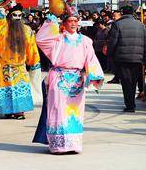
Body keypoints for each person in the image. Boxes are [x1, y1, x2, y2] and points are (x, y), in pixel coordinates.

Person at [34, 10, 104, 153]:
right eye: (70, 21)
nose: (73, 23)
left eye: (75, 21)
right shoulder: (57, 40)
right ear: (64, 23)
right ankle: (58, 144)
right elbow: (40, 39)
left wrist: (95, 75)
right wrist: (49, 23)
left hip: (77, 78)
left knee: (74, 112)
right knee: (58, 110)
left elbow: (91, 59)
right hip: (59, 77)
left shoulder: (85, 40)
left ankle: (73, 144)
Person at [0, 4, 41, 118]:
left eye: (19, 15)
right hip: (5, 65)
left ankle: (19, 111)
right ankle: (7, 110)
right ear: (9, 16)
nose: (17, 17)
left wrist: (33, 62)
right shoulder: (2, 30)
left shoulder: (27, 30)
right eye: (14, 15)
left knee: (20, 87)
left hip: (20, 65)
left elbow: (31, 47)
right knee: (6, 87)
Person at [107, 4, 146, 113]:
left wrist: (110, 54)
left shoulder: (117, 24)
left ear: (122, 13)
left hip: (122, 58)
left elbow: (113, 42)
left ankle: (130, 105)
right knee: (133, 81)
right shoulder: (141, 25)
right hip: (138, 58)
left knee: (126, 82)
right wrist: (144, 56)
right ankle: (131, 103)